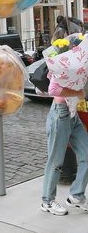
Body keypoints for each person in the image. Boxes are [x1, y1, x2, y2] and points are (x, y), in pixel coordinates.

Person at [41, 35, 88, 215]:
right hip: (60, 114)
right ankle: (47, 201)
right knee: (56, 161)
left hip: (73, 114)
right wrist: (77, 91)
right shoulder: (63, 62)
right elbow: (53, 90)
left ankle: (76, 195)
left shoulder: (79, 63)